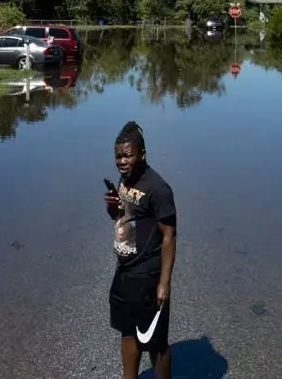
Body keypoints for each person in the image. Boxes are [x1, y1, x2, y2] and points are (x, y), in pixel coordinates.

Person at [104, 121, 177, 379]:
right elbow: (124, 219)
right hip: (125, 272)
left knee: (155, 342)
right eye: (118, 156)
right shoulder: (125, 180)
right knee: (127, 331)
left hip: (148, 275)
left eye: (128, 155)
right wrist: (113, 208)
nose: (121, 161)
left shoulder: (158, 189)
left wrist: (164, 284)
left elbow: (169, 235)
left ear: (142, 154)